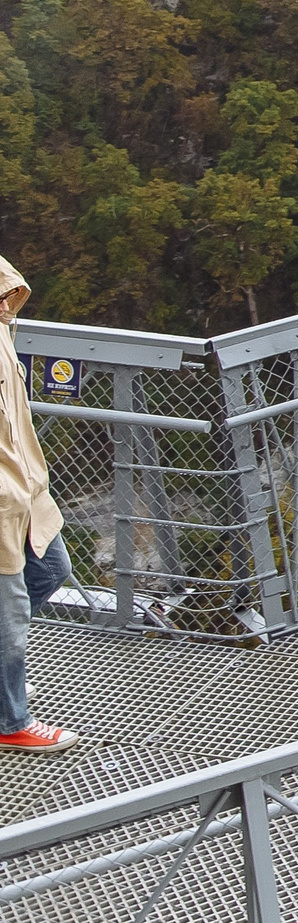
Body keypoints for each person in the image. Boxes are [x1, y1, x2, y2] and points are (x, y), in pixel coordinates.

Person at [0, 253, 74, 753]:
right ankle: (11, 722)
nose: (8, 299)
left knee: (50, 569)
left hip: (25, 492)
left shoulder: (3, 332)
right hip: (3, 500)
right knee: (10, 618)